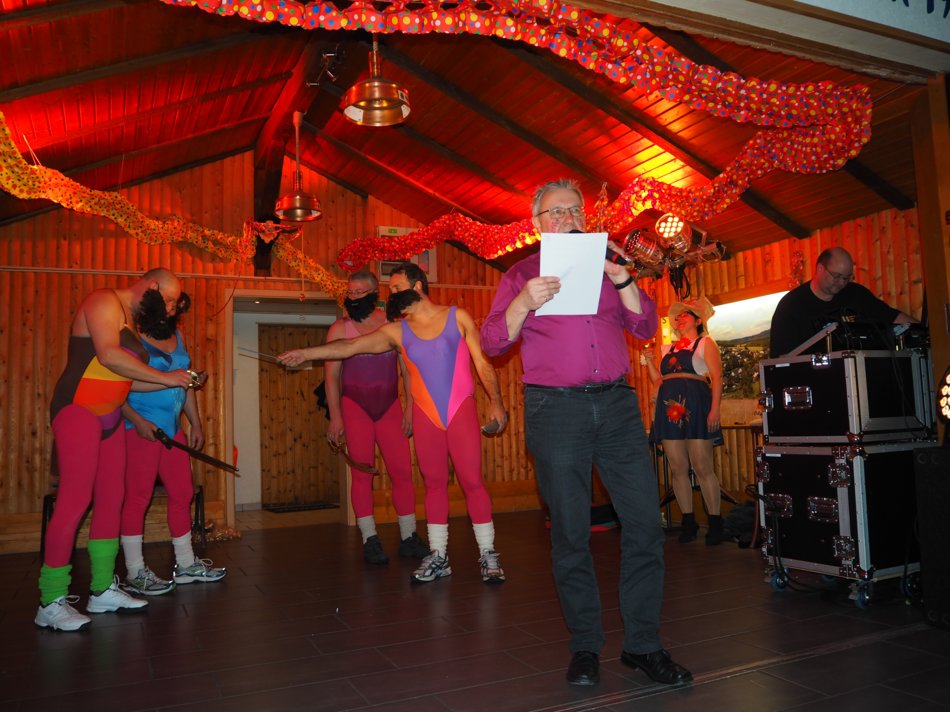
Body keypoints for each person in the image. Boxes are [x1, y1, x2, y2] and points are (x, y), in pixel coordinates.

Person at [480, 179, 692, 688]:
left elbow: (645, 328)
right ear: (537, 224)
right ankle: (585, 646)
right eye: (556, 212)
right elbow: (491, 342)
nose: (568, 218)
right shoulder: (521, 274)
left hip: (617, 406)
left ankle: (643, 645)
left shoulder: (610, 265)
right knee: (571, 533)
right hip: (555, 410)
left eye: (575, 210)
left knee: (645, 524)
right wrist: (522, 303)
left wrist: (624, 279)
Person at [278, 262, 509, 585]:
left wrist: (497, 402)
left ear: (417, 286)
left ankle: (487, 553)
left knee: (472, 482)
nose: (393, 294)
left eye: (397, 288)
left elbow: (482, 362)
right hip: (427, 418)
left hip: (461, 412)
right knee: (434, 485)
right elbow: (350, 346)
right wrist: (306, 353)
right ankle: (438, 556)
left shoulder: (457, 317)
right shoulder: (397, 331)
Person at [36, 269, 195, 631]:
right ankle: (50, 600)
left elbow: (128, 380)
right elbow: (108, 356)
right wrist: (166, 377)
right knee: (75, 501)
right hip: (78, 410)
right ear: (152, 286)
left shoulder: (130, 320)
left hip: (110, 416)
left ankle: (102, 588)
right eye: (170, 299)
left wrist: (176, 383)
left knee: (112, 500)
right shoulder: (104, 300)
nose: (171, 309)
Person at [119, 291, 226, 597]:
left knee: (182, 493)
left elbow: (185, 382)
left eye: (176, 304)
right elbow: (118, 386)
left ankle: (187, 564)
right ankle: (135, 572)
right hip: (142, 429)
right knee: (138, 498)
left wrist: (196, 422)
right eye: (168, 302)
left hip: (172, 430)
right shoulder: (131, 338)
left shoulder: (178, 336)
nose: (173, 308)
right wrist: (138, 422)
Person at [324, 269, 430, 565]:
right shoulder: (339, 329)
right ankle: (370, 539)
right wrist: (335, 416)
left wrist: (410, 406)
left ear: (374, 293)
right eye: (350, 292)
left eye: (360, 292)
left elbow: (408, 370)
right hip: (355, 407)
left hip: (389, 407)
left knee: (402, 472)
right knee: (362, 474)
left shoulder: (392, 325)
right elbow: (331, 377)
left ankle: (408, 536)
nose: (353, 297)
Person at [643, 297, 725, 545]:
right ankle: (688, 522)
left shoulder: (705, 343)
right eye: (677, 316)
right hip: (669, 410)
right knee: (677, 468)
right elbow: (659, 381)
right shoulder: (667, 349)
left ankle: (715, 523)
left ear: (698, 321)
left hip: (697, 407)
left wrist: (714, 410)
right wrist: (649, 361)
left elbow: (717, 378)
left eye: (685, 315)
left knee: (702, 466)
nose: (679, 319)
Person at [769, 246, 916, 357]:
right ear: (820, 268)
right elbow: (781, 358)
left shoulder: (856, 294)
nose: (841, 283)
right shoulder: (791, 306)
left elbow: (892, 317)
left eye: (846, 278)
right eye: (836, 276)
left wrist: (923, 331)